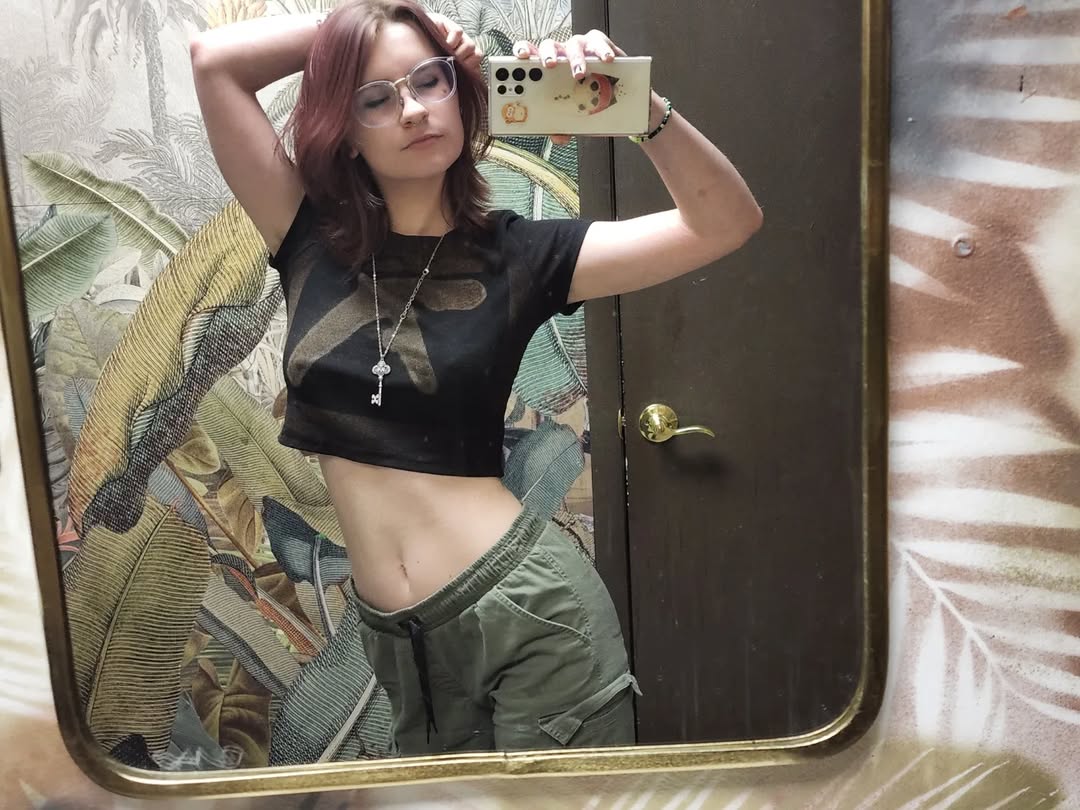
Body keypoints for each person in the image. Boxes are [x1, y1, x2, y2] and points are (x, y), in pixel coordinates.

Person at [189, 0, 761, 757]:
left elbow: (725, 222)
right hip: (399, 641)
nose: (412, 109)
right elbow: (214, 64)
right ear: (347, 132)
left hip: (529, 615)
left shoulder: (522, 255)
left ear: (460, 94)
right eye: (375, 97)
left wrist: (641, 110)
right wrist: (399, 16)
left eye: (429, 80)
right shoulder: (305, 234)